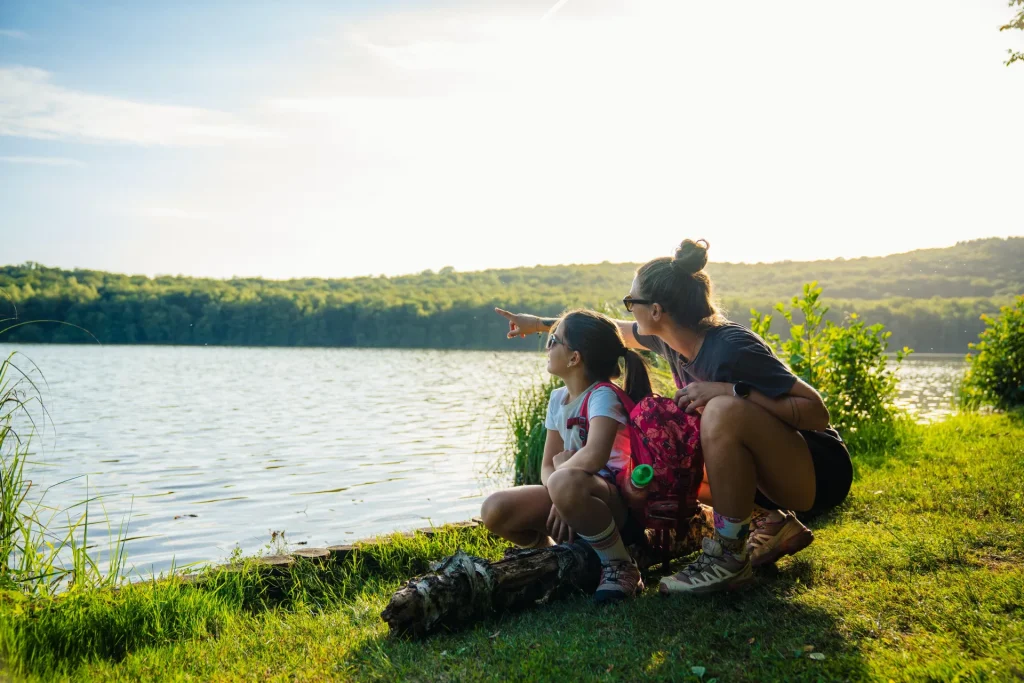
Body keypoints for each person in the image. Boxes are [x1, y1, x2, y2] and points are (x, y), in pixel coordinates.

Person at [495, 239, 853, 595]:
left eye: (630, 301)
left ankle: (728, 558)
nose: (627, 308)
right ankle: (769, 520)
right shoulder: (669, 340)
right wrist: (541, 325)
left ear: (655, 310)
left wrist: (728, 390)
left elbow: (815, 412)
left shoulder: (728, 346)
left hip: (817, 472)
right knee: (669, 460)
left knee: (720, 411)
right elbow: (610, 331)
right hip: (771, 473)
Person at [480, 310, 653, 603]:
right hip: (571, 493)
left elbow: (595, 457)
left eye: (553, 341)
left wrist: (562, 482)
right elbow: (547, 465)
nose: (548, 348)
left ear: (575, 358)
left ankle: (620, 565)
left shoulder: (602, 396)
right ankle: (547, 551)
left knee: (565, 480)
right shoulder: (557, 399)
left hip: (615, 506)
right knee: (494, 509)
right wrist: (558, 493)